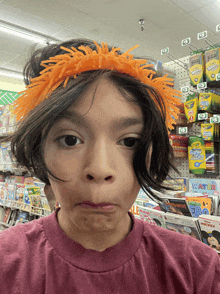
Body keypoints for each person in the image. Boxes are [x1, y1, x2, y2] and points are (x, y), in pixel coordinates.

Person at [0, 39, 219, 294]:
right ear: (40, 151)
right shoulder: (7, 265)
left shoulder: (200, 271)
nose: (101, 169)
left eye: (129, 141)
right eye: (70, 140)